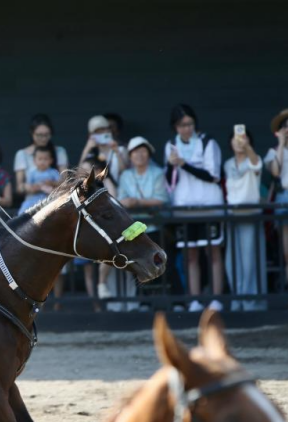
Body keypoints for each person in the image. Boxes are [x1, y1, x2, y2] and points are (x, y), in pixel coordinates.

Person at [164, 104, 224, 312]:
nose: (186, 128)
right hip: (185, 208)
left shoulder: (208, 142)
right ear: (175, 127)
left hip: (209, 205)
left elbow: (213, 176)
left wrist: (184, 164)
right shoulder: (171, 145)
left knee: (213, 252)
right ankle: (194, 299)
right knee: (190, 255)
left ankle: (216, 298)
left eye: (189, 123)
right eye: (181, 125)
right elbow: (169, 180)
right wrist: (173, 165)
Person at [99, 137, 171, 303]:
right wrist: (131, 202)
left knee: (160, 264)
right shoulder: (126, 175)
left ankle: (163, 302)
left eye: (143, 151)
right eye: (135, 152)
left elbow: (161, 198)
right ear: (130, 156)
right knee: (137, 266)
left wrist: (138, 202)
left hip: (155, 226)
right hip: (132, 229)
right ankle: (141, 301)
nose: (139, 155)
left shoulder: (157, 173)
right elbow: (121, 200)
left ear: (149, 154)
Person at [225, 128, 266, 311]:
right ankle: (238, 298)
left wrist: (247, 146)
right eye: (236, 138)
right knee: (231, 261)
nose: (239, 141)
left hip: (251, 214)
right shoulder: (227, 164)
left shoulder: (254, 159)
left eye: (243, 137)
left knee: (250, 260)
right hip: (233, 216)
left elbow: (256, 164)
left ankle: (252, 301)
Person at [265, 108, 288, 310]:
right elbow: (275, 171)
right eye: (286, 126)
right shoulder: (273, 152)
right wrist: (283, 145)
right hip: (285, 199)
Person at [14, 114, 69, 194]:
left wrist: (52, 183)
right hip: (32, 200)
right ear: (31, 133)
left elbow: (65, 182)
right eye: (39, 135)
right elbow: (19, 188)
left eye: (47, 135)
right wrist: (28, 187)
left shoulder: (59, 151)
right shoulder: (22, 154)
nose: (43, 138)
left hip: (54, 198)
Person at [78, 115, 125, 196]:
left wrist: (116, 151)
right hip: (97, 194)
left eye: (103, 130)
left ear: (109, 130)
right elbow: (79, 175)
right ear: (91, 135)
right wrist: (86, 149)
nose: (101, 133)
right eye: (97, 132)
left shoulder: (120, 149)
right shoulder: (90, 153)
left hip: (121, 192)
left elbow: (124, 172)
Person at [17, 145, 59, 213]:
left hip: (49, 199)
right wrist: (36, 187)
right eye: (40, 159)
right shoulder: (32, 173)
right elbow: (29, 186)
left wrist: (52, 183)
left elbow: (60, 184)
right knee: (23, 211)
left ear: (51, 160)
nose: (42, 162)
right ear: (34, 160)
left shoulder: (53, 172)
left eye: (45, 159)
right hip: (33, 199)